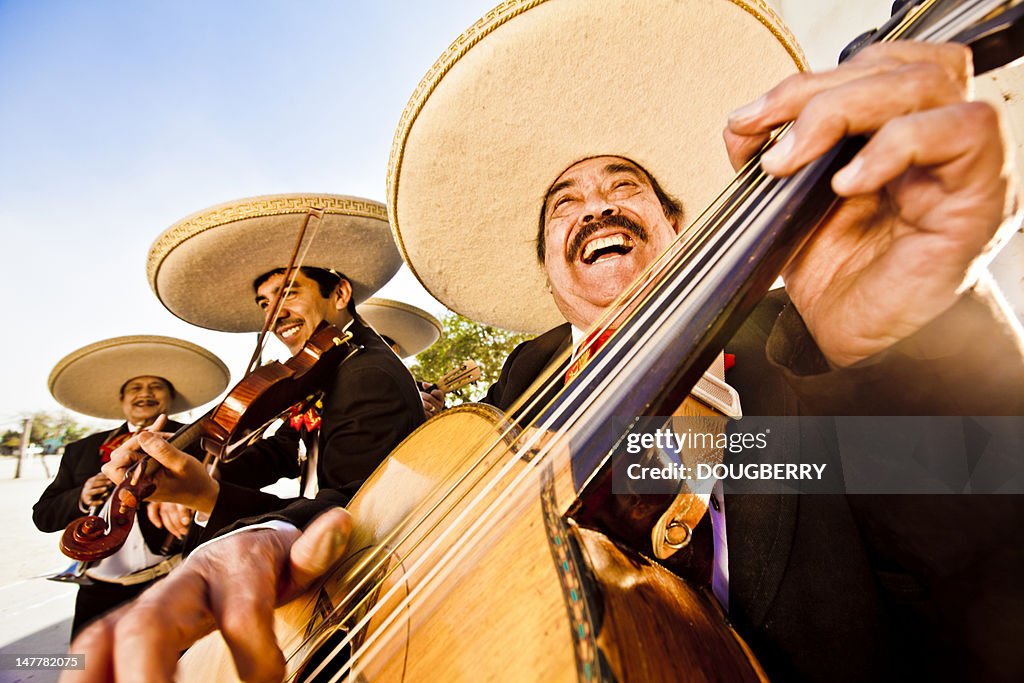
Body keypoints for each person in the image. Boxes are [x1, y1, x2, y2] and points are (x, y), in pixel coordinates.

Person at [67, 1, 1024, 681]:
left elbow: (987, 570)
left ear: (683, 225)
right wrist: (265, 541)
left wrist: (913, 340)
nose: (596, 204)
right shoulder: (521, 389)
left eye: (625, 185)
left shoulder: (805, 355)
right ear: (548, 271)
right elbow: (387, 522)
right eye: (564, 202)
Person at [103, 194, 426, 545]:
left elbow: (355, 512)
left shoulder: (366, 374)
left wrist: (208, 496)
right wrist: (188, 464)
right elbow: (285, 449)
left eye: (288, 293)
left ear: (340, 293)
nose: (274, 314)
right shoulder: (327, 366)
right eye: (265, 303)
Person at [34, 335, 229, 638]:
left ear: (170, 397)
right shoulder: (82, 450)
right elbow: (43, 516)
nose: (145, 394)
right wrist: (82, 496)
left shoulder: (200, 441)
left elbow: (226, 490)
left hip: (173, 581)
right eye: (135, 388)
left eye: (156, 387)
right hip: (98, 593)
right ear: (122, 400)